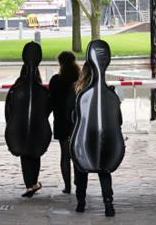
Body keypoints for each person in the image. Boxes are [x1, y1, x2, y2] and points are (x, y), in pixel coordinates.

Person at [71, 62, 121, 217]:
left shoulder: (79, 93)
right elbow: (118, 119)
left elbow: (73, 117)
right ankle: (108, 204)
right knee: (104, 170)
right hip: (104, 135)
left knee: (81, 169)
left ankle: (81, 202)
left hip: (84, 135)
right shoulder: (109, 93)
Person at [5, 42, 52, 198]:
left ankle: (30, 184)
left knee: (26, 155)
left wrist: (12, 124)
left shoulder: (16, 88)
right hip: (37, 127)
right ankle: (33, 183)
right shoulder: (42, 91)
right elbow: (47, 109)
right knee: (35, 154)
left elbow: (9, 109)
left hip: (21, 127)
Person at [49, 51, 80, 194]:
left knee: (64, 154)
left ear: (60, 63)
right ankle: (79, 180)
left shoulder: (56, 80)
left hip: (61, 120)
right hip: (77, 121)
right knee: (77, 153)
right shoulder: (79, 79)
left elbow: (51, 102)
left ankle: (67, 186)